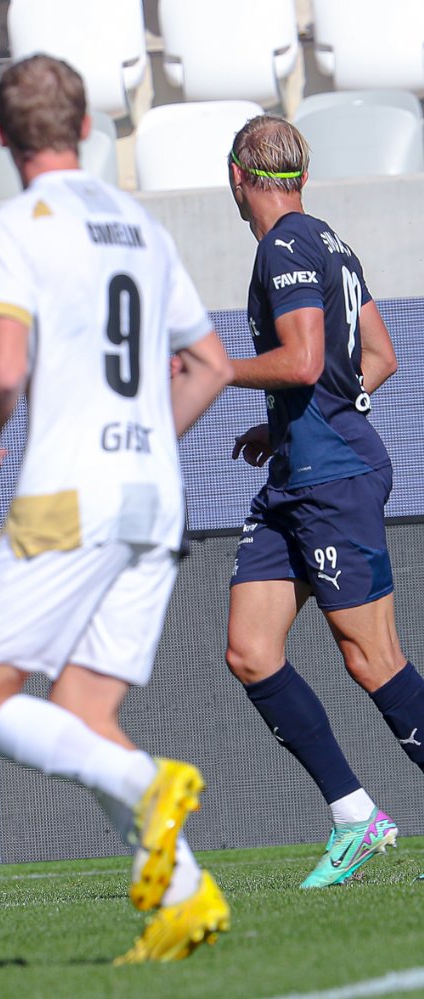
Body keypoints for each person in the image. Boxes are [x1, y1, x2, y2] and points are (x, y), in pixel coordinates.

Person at [0, 56, 234, 963]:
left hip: (69, 495)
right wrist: (144, 442)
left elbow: (5, 369)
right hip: (156, 494)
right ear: (85, 129)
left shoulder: (15, 224)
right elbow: (212, 365)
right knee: (83, 711)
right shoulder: (142, 223)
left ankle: (148, 782)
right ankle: (184, 899)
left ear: (0, 138)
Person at [223, 115, 424, 888]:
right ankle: (354, 816)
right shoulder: (330, 241)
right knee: (251, 649)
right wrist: (290, 424)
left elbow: (306, 360)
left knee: (373, 659)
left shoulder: (283, 246)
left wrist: (219, 369)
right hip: (296, 477)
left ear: (236, 176)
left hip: (332, 480)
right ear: (299, 175)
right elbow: (380, 356)